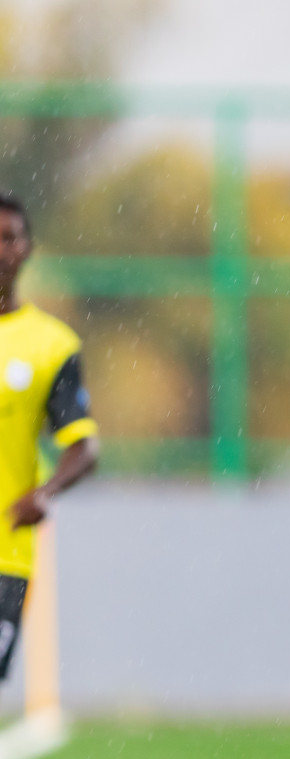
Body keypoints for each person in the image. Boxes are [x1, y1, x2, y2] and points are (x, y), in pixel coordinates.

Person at [0, 193, 98, 683]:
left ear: (27, 250)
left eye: (8, 238)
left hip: (5, 551)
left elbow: (83, 448)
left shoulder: (52, 346)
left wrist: (45, 492)